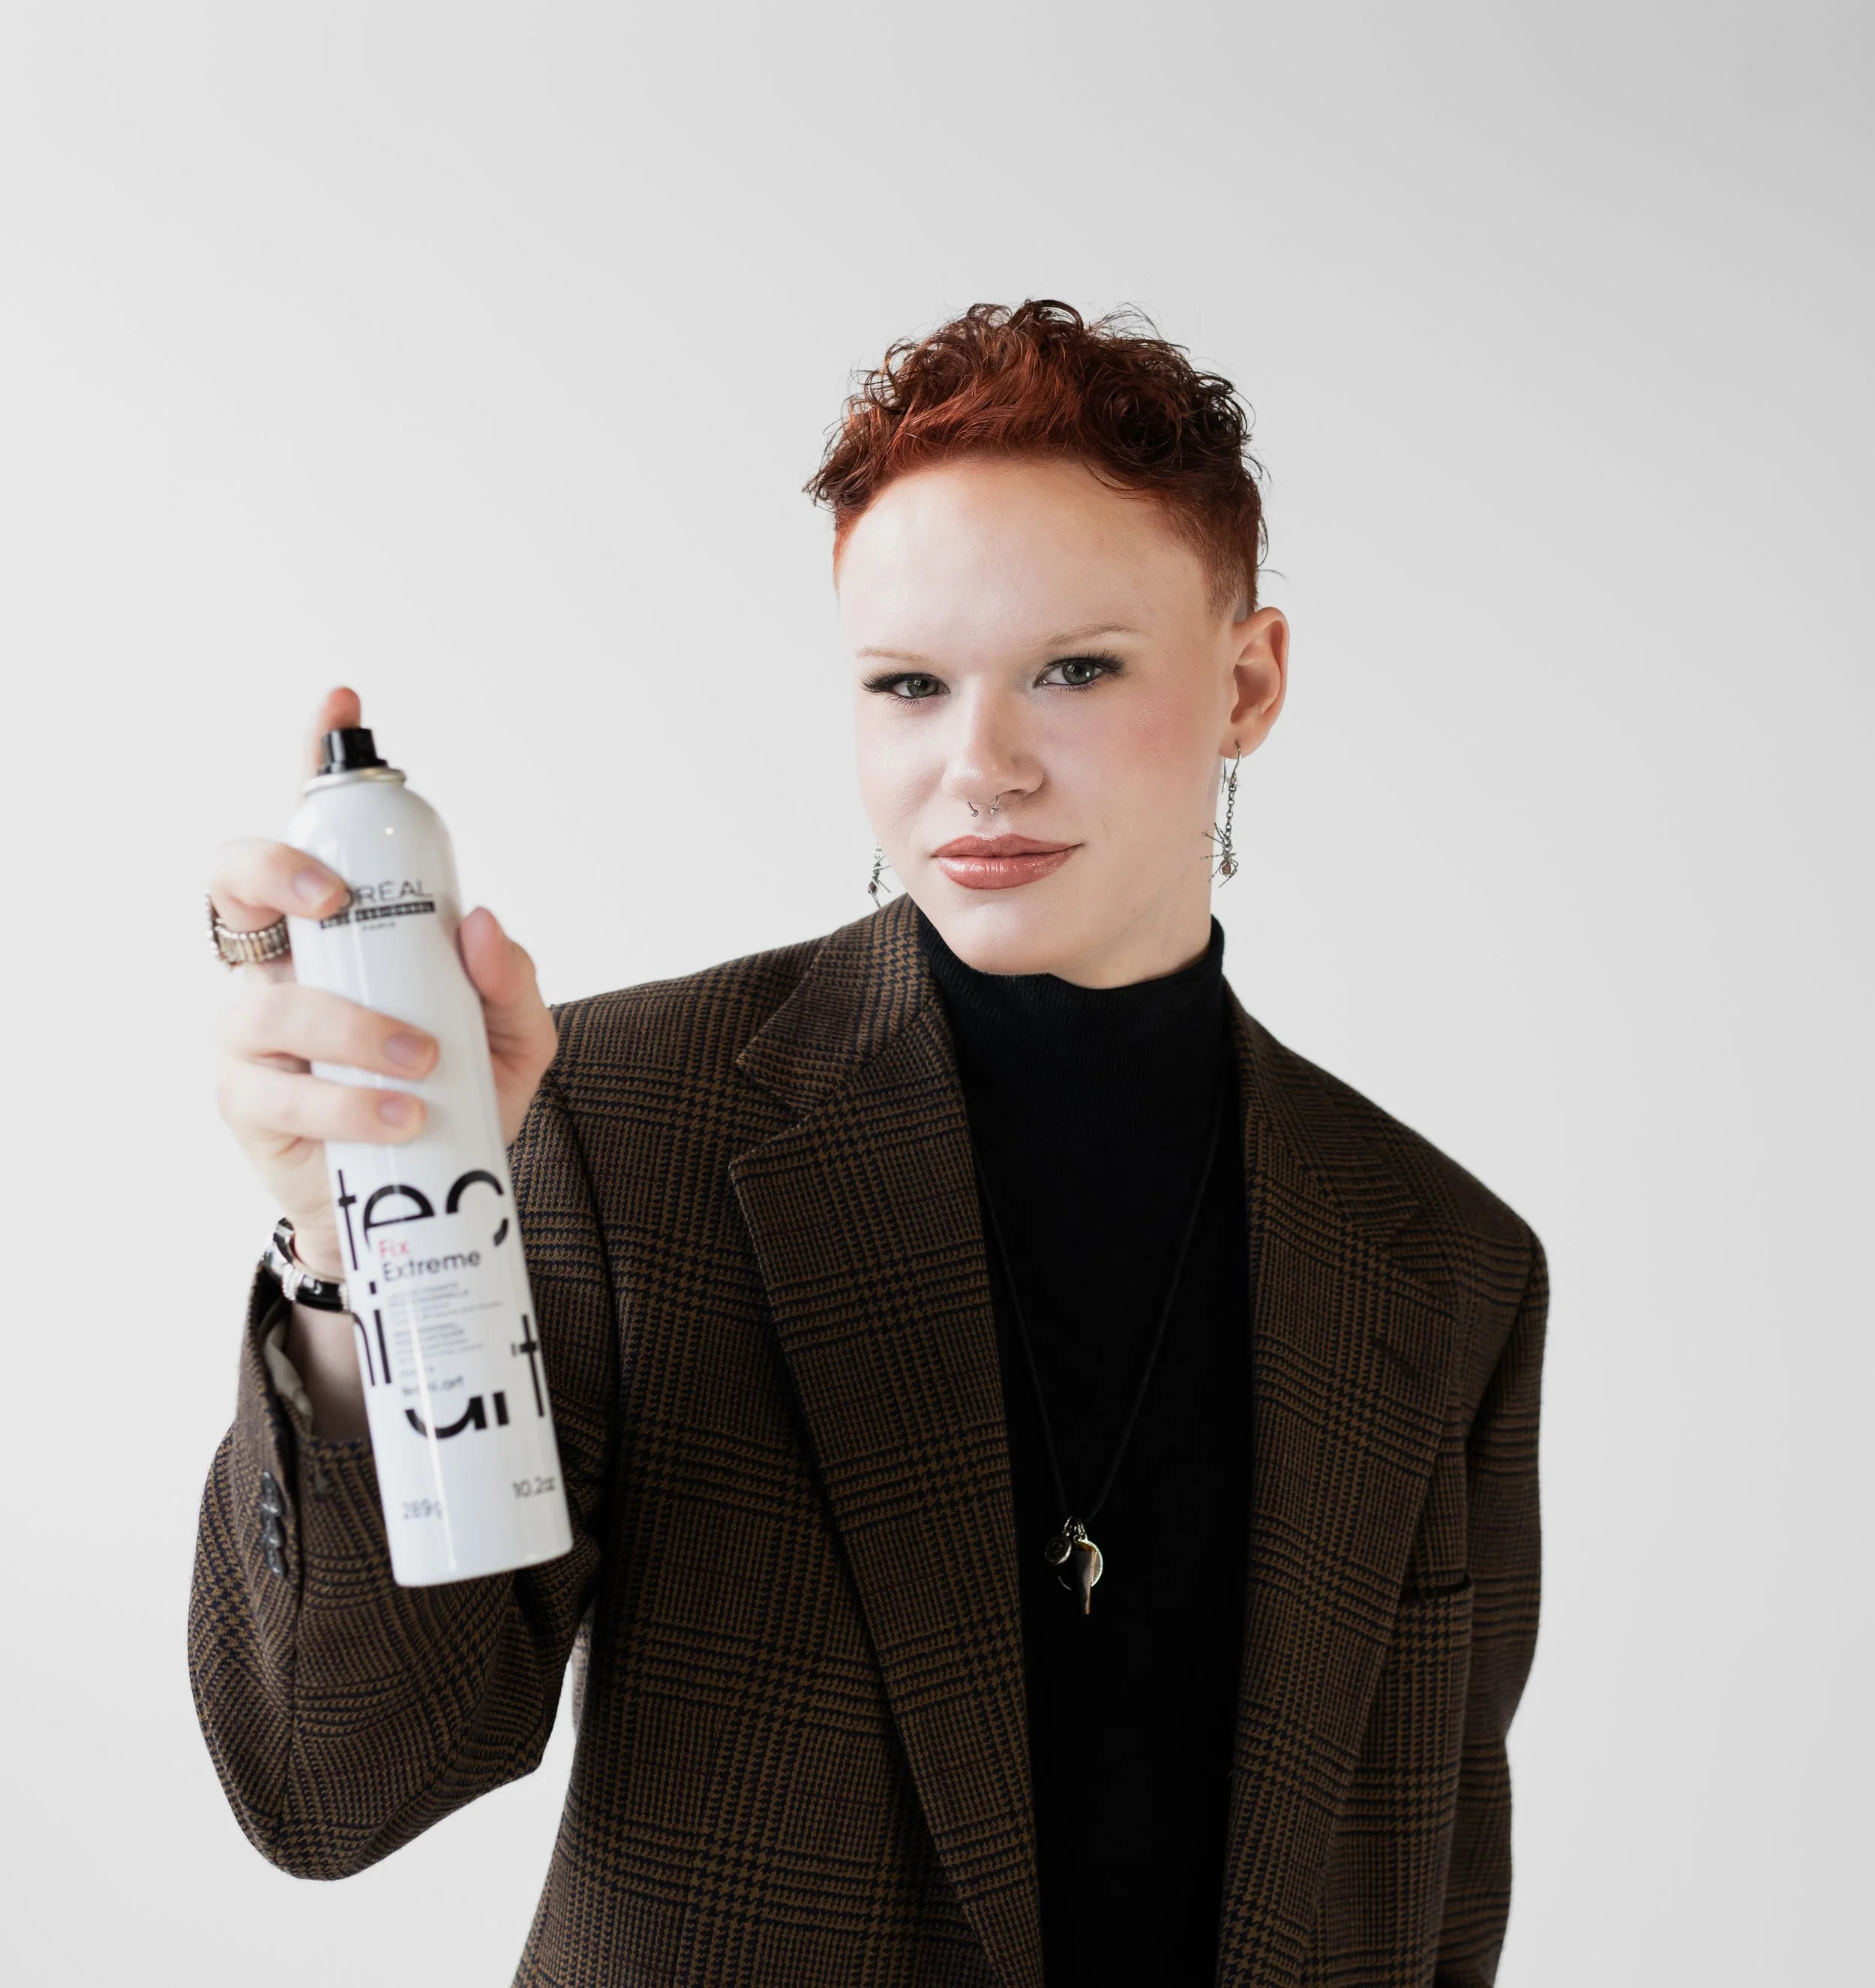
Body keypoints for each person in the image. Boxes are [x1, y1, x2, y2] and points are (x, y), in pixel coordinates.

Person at [193, 300, 1547, 1987]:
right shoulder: (628, 1123)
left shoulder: (1438, 1256)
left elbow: (1432, 1898)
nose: (973, 763)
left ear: (1247, 681)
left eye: (1073, 668)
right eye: (907, 683)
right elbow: (338, 1780)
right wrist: (343, 1261)